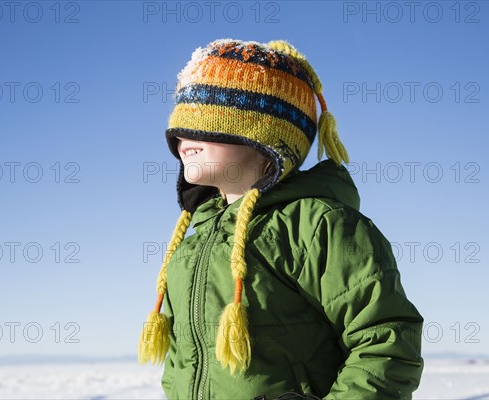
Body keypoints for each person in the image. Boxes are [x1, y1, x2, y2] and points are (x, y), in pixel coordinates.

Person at [138, 38, 424, 399]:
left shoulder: (318, 225)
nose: (183, 135)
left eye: (203, 118)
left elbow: (386, 341)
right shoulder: (192, 245)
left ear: (265, 133)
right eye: (181, 120)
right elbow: (181, 365)